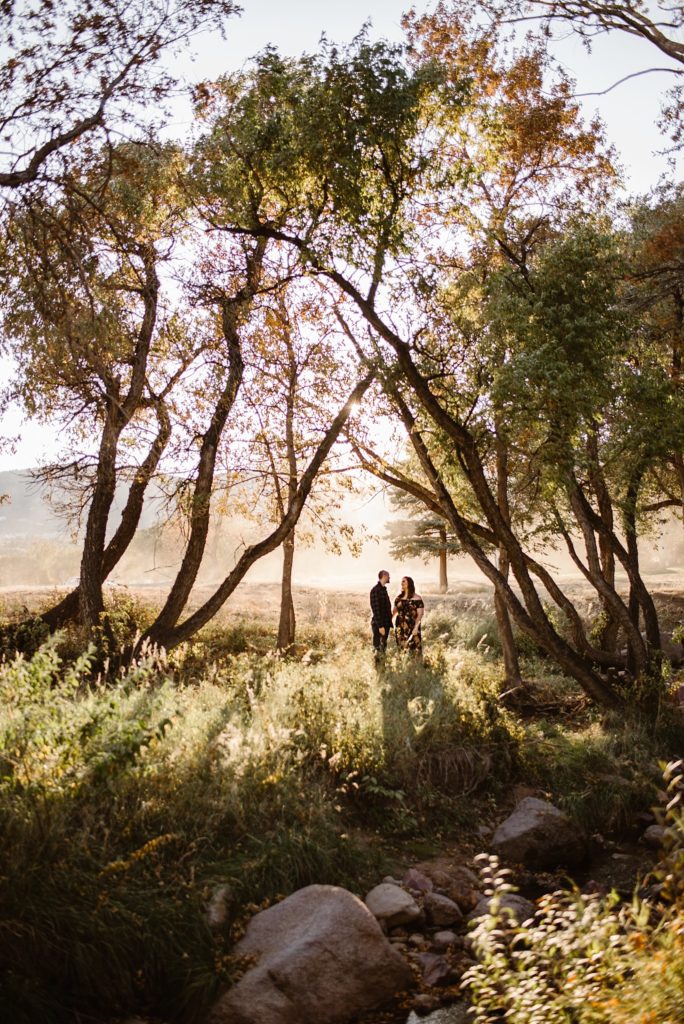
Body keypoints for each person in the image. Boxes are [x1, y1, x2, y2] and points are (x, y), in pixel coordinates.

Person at [393, 576, 425, 656]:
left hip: (413, 626)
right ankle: (403, 665)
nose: (401, 583)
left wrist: (416, 627)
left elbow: (420, 614)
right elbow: (394, 612)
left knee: (414, 648)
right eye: (401, 581)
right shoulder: (398, 598)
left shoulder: (417, 598)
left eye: (403, 581)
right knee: (401, 647)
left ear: (409, 584)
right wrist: (388, 624)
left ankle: (416, 666)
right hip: (400, 626)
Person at [370, 569, 393, 660]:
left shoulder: (383, 589)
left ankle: (382, 666)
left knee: (383, 647)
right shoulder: (375, 590)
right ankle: (377, 667)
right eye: (388, 576)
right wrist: (380, 626)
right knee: (378, 647)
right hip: (379, 624)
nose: (389, 577)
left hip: (385, 623)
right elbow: (376, 609)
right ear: (383, 576)